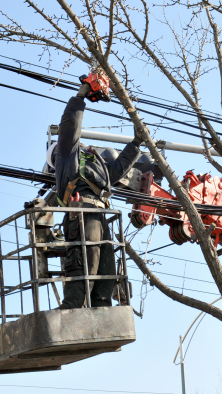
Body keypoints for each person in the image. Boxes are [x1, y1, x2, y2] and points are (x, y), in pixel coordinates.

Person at [52, 83, 144, 309]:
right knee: (86, 263)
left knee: (106, 268)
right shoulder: (67, 157)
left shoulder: (95, 166)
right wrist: (79, 98)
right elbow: (69, 128)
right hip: (82, 213)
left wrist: (136, 143)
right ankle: (73, 306)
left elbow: (117, 170)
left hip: (100, 213)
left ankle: (101, 307)